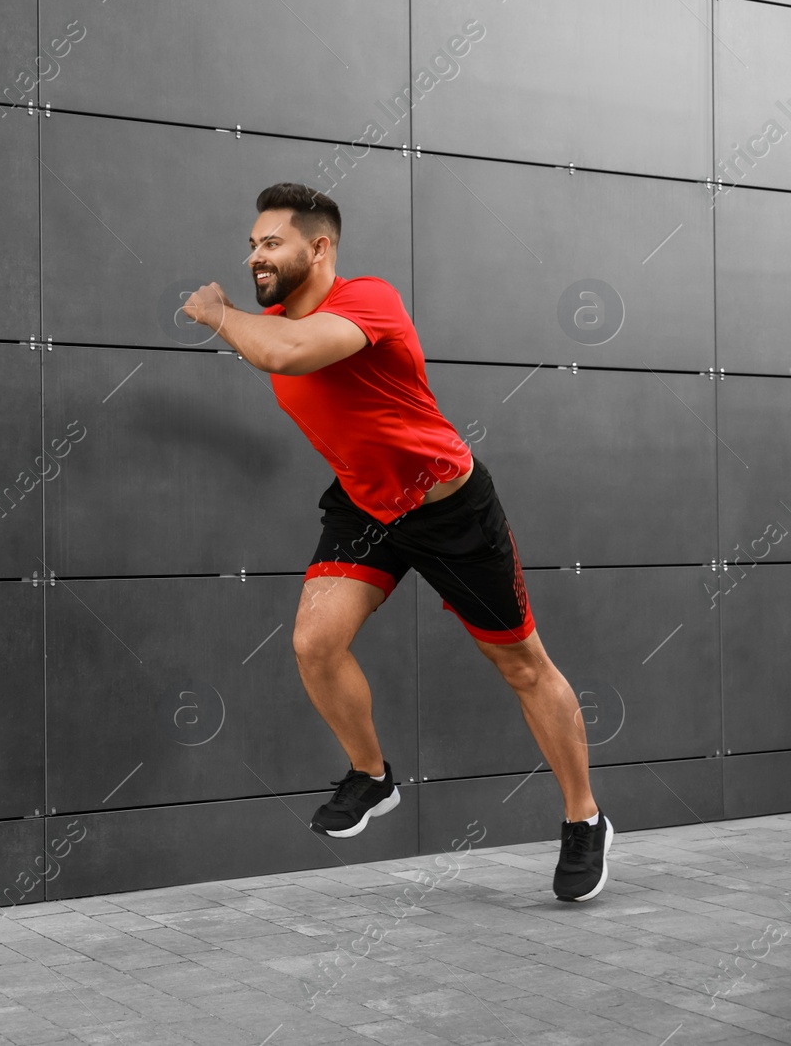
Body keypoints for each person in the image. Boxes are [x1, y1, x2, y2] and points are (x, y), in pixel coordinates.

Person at [180, 182, 610, 902]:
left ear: (318, 248)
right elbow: (282, 350)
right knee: (315, 642)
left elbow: (288, 356)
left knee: (523, 666)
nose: (255, 254)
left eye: (270, 242)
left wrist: (218, 312)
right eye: (252, 243)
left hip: (447, 505)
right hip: (366, 504)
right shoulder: (274, 319)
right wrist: (237, 320)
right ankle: (371, 775)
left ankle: (584, 818)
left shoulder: (366, 301)